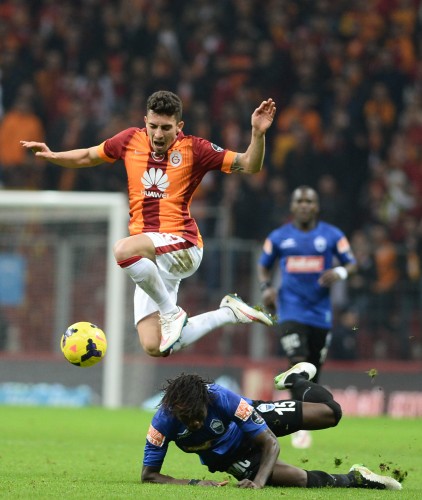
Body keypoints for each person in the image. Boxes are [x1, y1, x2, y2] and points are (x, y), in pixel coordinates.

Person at [21, 90, 275, 357]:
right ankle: (228, 313)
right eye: (153, 126)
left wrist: (257, 134)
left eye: (166, 128)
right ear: (145, 121)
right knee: (155, 346)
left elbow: (250, 164)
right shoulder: (130, 140)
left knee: (123, 249)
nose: (158, 134)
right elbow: (88, 156)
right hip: (150, 257)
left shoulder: (195, 148)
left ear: (179, 126)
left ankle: (171, 313)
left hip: (182, 244)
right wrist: (53, 155)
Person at [141, 363, 401, 490]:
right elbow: (149, 475)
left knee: (331, 413)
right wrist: (194, 483)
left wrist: (258, 483)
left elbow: (269, 441)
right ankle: (356, 478)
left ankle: (295, 379)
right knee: (299, 479)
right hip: (231, 458)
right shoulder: (162, 421)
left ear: (206, 402)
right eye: (188, 420)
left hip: (253, 420)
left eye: (199, 416)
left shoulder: (221, 397)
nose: (196, 423)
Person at [257, 185, 357, 448]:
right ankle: (299, 427)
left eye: (309, 201)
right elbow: (263, 266)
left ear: (316, 206)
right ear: (292, 206)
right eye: (299, 201)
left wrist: (340, 272)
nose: (304, 205)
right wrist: (266, 288)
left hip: (320, 315)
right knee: (298, 364)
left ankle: (301, 415)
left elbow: (351, 262)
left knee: (312, 373)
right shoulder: (278, 237)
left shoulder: (332, 235)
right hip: (290, 311)